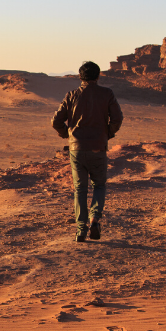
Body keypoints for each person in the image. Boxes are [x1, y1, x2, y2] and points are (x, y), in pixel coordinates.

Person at [51, 61, 124, 242]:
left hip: (77, 149)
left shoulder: (71, 95)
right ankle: (95, 220)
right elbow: (117, 118)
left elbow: (56, 121)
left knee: (80, 189)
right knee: (99, 185)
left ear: (80, 77)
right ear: (98, 76)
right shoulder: (107, 94)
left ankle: (81, 230)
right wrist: (108, 134)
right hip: (98, 148)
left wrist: (67, 135)